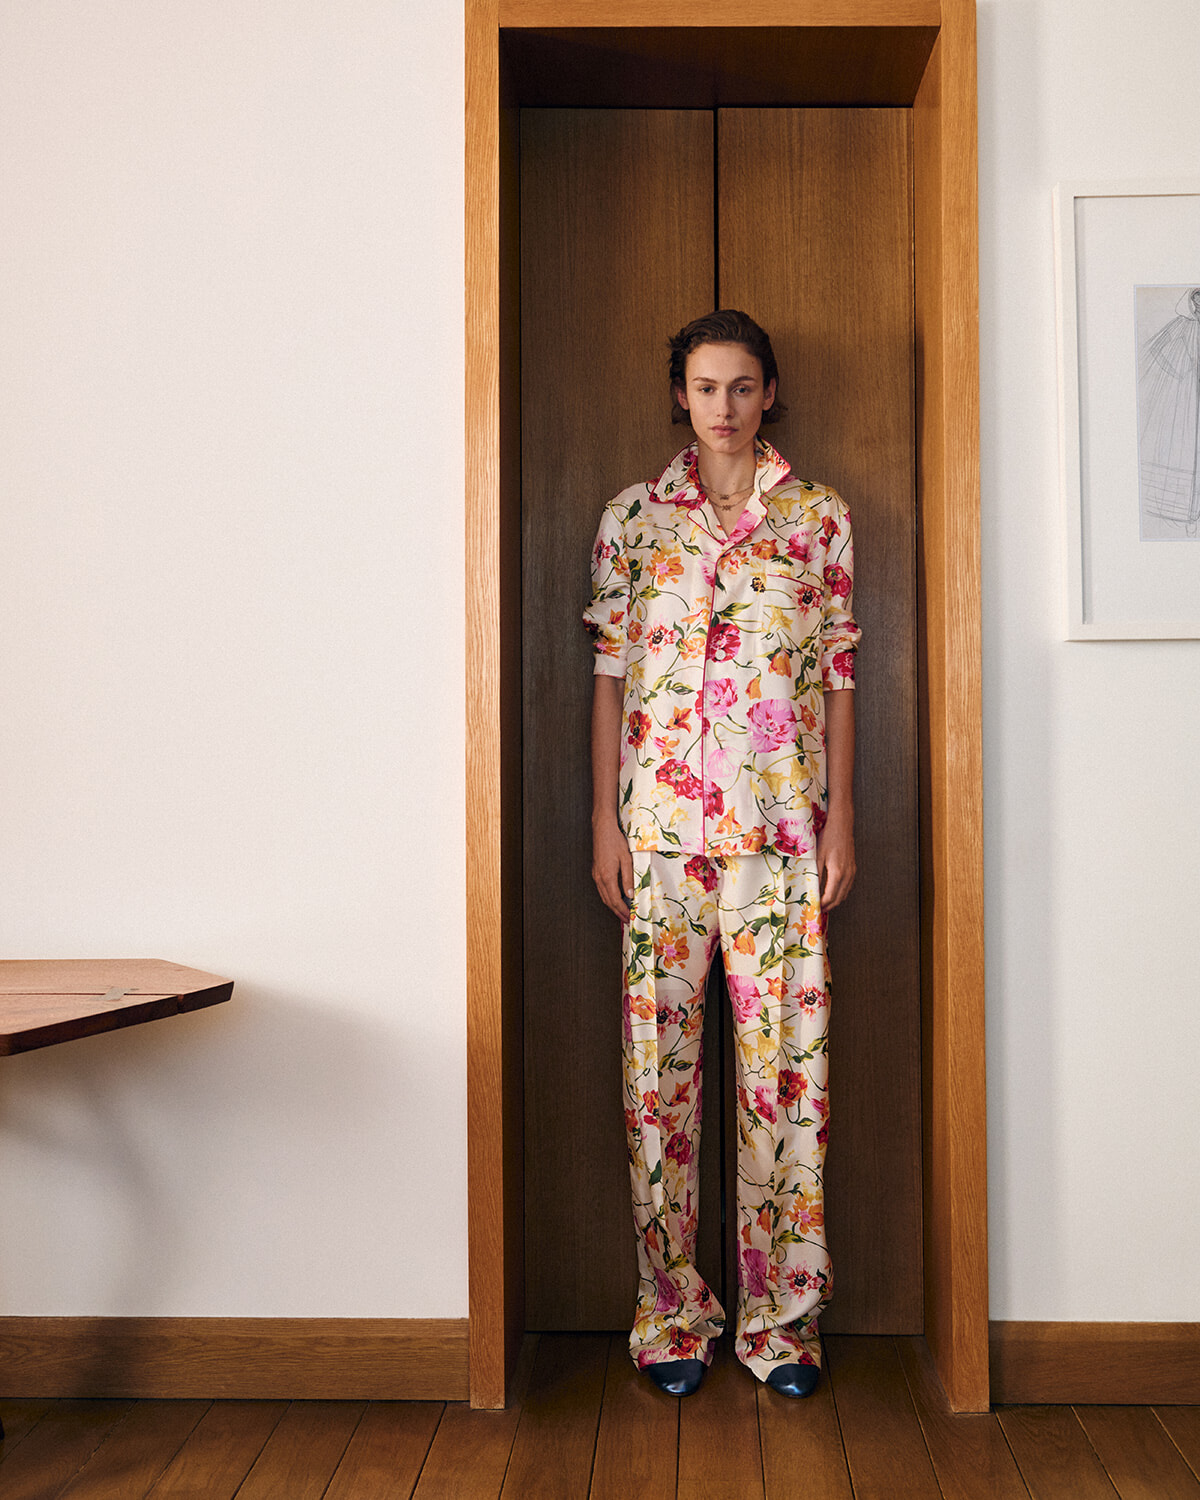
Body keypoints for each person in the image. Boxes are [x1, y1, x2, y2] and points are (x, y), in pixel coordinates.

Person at [583, 309, 859, 1400]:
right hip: (655, 840)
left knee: (788, 1086)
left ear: (771, 392)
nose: (726, 406)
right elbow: (608, 672)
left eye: (743, 386)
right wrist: (601, 820)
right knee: (658, 1086)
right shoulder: (632, 521)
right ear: (681, 397)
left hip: (784, 838)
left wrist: (845, 818)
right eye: (707, 387)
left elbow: (840, 676)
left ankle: (783, 1327)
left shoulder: (819, 518)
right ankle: (672, 1317)